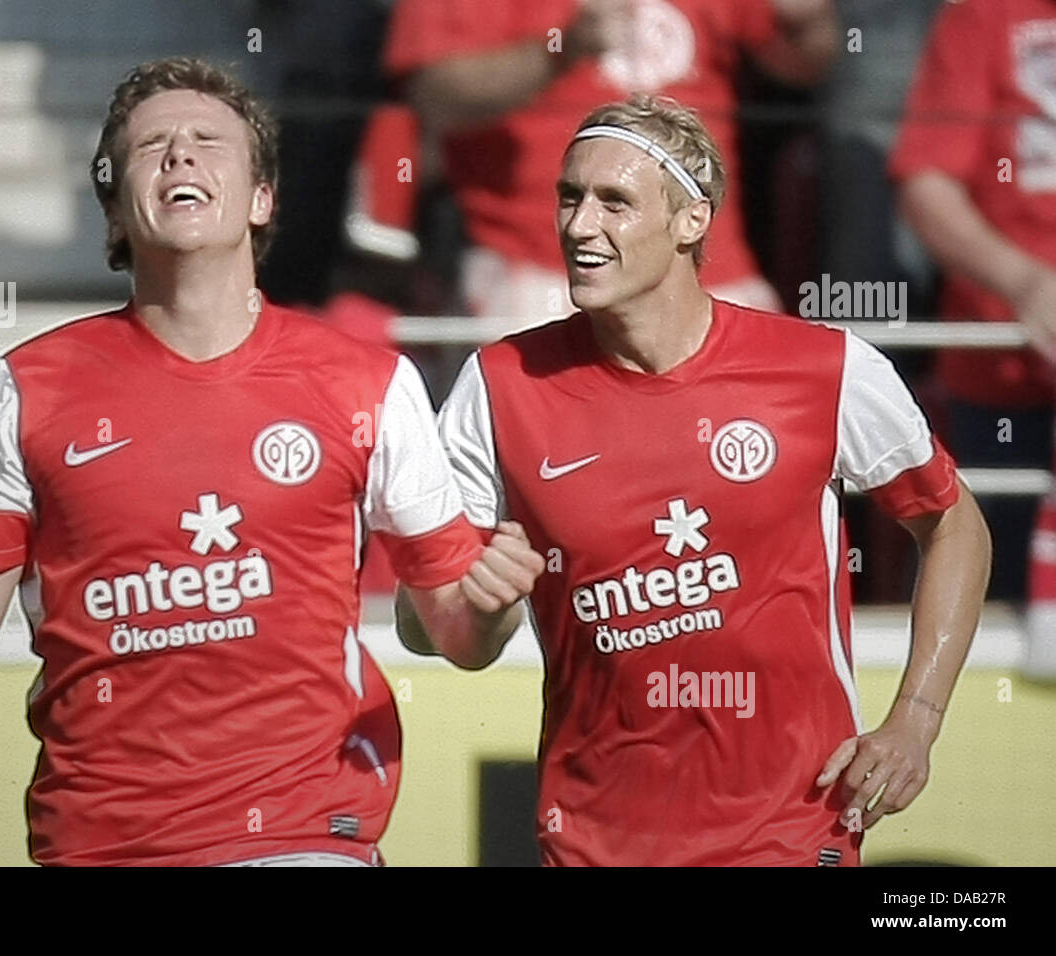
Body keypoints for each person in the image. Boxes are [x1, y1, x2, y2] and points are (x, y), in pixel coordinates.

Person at [0, 57, 539, 867]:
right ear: (112, 214)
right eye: (151, 146)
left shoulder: (367, 380)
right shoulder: (20, 392)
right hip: (101, 842)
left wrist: (490, 606)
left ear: (262, 198)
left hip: (303, 834)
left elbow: (458, 630)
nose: (180, 156)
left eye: (208, 141)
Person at [397, 94, 992, 866]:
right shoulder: (500, 383)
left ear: (692, 220)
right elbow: (435, 630)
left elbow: (952, 524)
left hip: (790, 831)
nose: (580, 227)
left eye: (615, 202)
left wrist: (916, 717)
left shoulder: (824, 369)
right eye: (570, 197)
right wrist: (475, 608)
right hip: (592, 842)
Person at [382, 0, 840, 332]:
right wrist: (559, 51)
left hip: (709, 266)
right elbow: (436, 92)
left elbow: (801, 64)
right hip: (540, 267)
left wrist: (810, 21)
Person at [888, 0, 1056, 676]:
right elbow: (926, 184)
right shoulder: (985, 14)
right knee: (985, 633)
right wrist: (1027, 284)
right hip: (1002, 385)